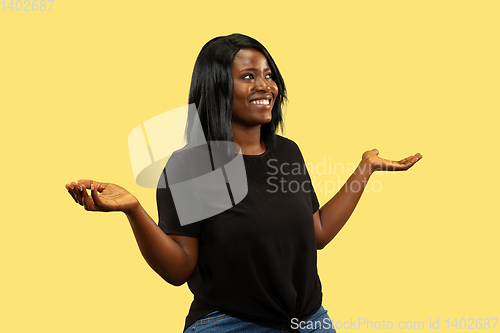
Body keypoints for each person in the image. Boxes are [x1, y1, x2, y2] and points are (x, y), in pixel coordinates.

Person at [65, 33, 422, 332]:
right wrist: (133, 209)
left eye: (269, 75)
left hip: (310, 322)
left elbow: (317, 232)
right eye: (248, 76)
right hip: (231, 324)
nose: (266, 85)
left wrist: (365, 170)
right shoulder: (193, 166)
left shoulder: (287, 152)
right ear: (218, 87)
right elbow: (180, 268)